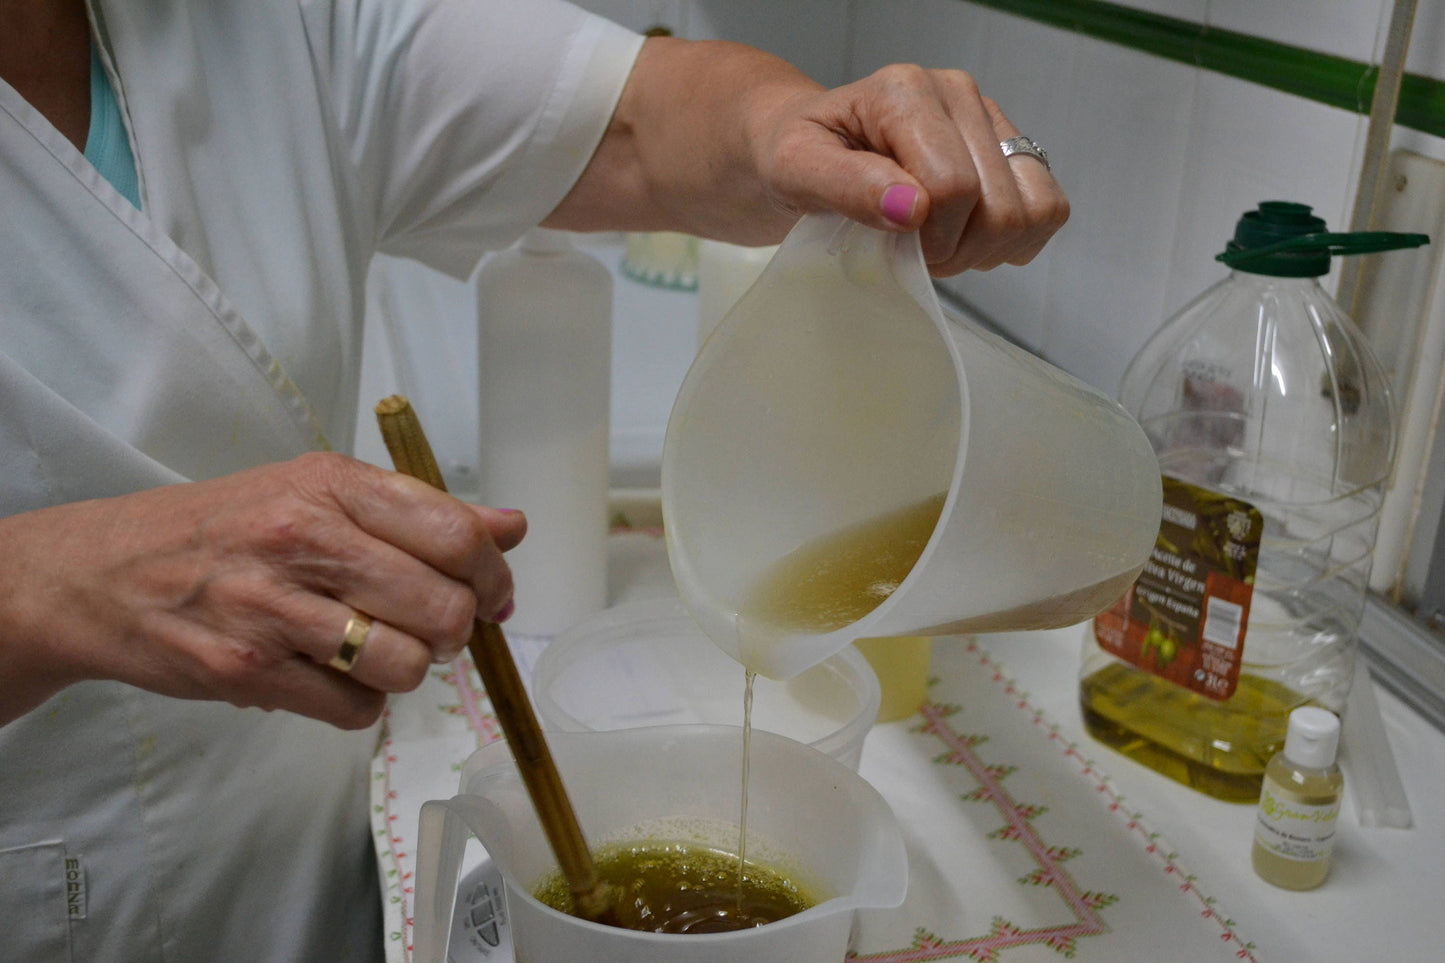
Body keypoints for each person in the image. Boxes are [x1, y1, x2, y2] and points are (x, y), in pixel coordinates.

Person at [0, 0, 1068, 959]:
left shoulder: (252, 20)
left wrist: (799, 128)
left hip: (308, 880)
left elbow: (636, 121)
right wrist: (58, 583)